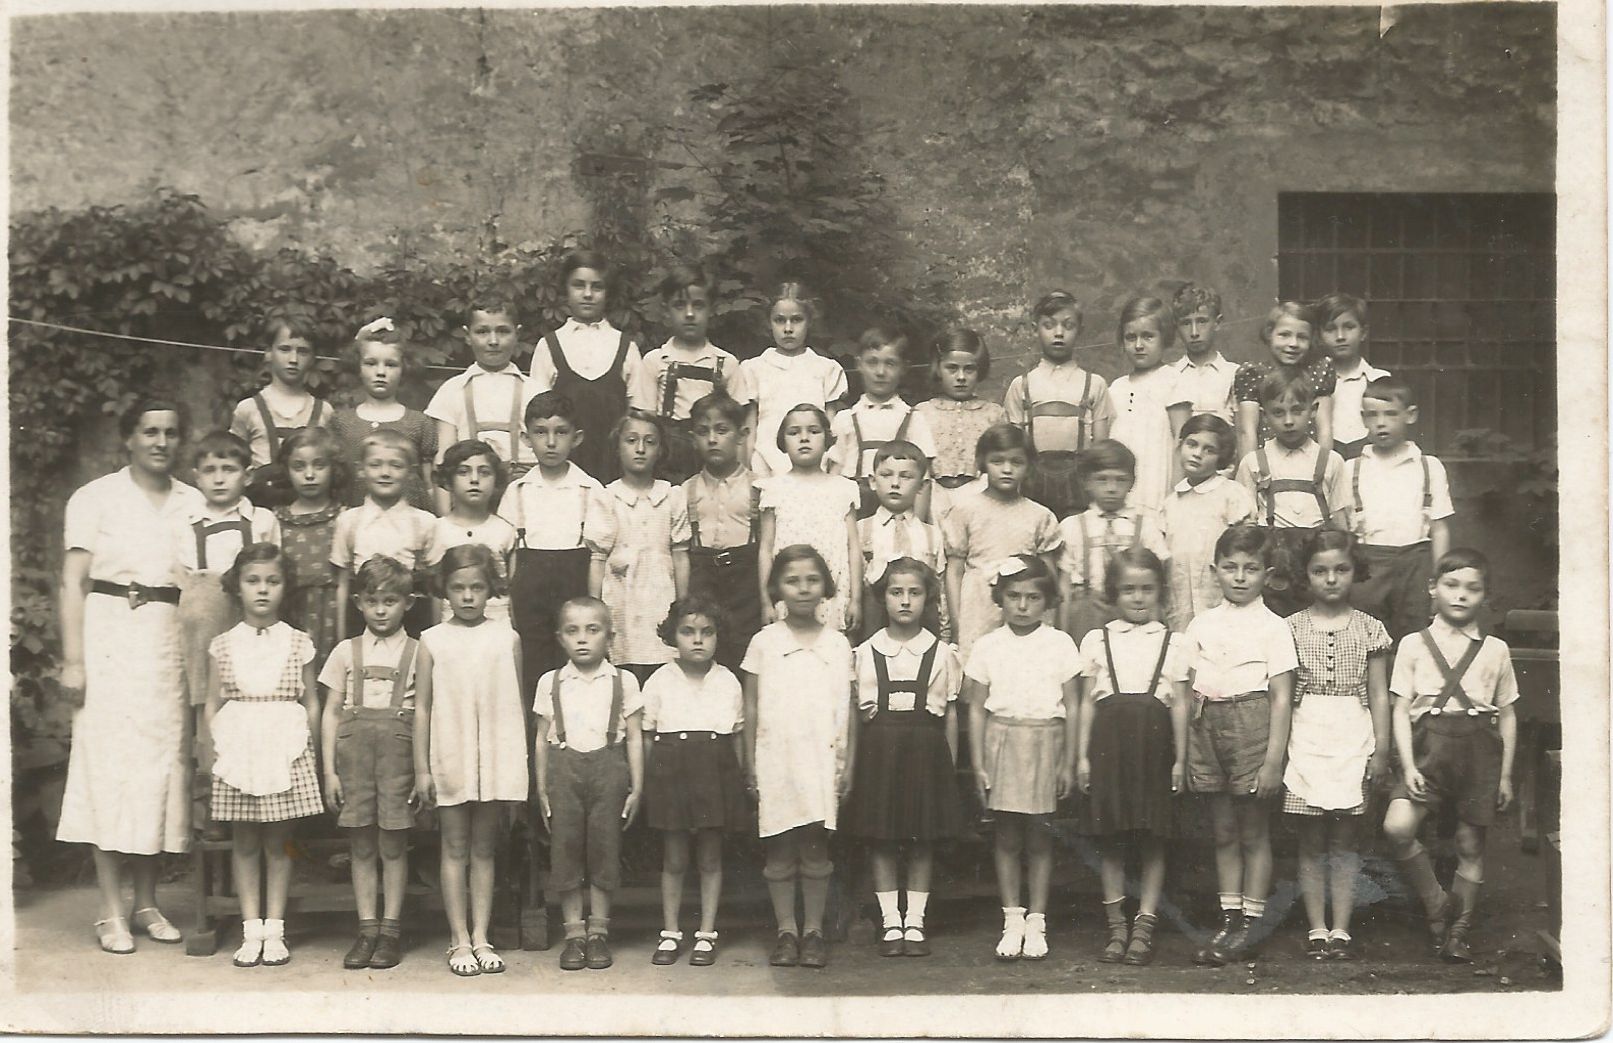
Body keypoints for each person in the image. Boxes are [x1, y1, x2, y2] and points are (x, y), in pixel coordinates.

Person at [56, 397, 205, 954]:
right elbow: (72, 582)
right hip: (110, 638)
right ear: (129, 438)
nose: (161, 442)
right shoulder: (95, 497)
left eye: (171, 432)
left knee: (159, 770)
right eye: (150, 432)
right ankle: (110, 910)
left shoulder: (193, 502)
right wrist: (74, 660)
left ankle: (146, 903)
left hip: (168, 643)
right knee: (109, 768)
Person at [1382, 549, 1518, 964]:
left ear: (1485, 595)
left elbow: (1507, 713)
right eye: (1451, 585)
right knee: (1397, 826)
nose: (1461, 595)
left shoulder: (1496, 650)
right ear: (1433, 588)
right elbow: (1400, 710)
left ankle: (1456, 932)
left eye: (1472, 588)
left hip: (1478, 751)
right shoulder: (1413, 645)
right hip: (1428, 749)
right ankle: (1437, 902)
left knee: (1469, 843)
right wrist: (1408, 765)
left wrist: (1504, 776)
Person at [202, 543, 322, 968]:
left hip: (283, 745)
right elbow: (212, 703)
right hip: (239, 747)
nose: (263, 589)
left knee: (280, 841)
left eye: (273, 581)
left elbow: (311, 702)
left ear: (285, 587)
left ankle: (276, 930)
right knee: (245, 841)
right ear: (237, 587)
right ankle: (251, 928)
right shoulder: (222, 645)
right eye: (253, 581)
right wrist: (217, 748)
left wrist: (307, 748)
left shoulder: (298, 642)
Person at [1183, 524, 1297, 967]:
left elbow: (1282, 696)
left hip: (1253, 725)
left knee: (1253, 831)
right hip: (1207, 724)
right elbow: (1187, 687)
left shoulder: (1274, 628)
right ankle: (1229, 918)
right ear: (1215, 571)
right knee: (1224, 831)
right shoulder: (1201, 624)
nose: (1240, 577)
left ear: (1267, 575)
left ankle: (1252, 921)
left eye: (1251, 568)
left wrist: (1273, 761)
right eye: (1230, 567)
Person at [415, 544, 529, 977]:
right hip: (451, 752)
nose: (467, 596)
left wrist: (515, 765)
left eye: (477, 587)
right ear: (444, 589)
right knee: (454, 847)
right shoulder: (432, 640)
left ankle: (481, 936)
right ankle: (458, 938)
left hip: (493, 756)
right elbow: (422, 707)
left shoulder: (507, 637)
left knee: (484, 848)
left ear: (490, 589)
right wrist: (423, 768)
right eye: (458, 587)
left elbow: (515, 704)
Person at [741, 546, 856, 970]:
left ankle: (814, 932)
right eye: (792, 581)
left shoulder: (838, 644)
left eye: (812, 580)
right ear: (777, 588)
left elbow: (849, 708)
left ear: (826, 587)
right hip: (776, 758)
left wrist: (848, 765)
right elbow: (750, 706)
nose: (803, 589)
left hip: (822, 760)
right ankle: (786, 931)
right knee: (780, 849)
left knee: (814, 848)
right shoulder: (764, 642)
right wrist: (750, 763)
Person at [1075, 547, 1190, 967]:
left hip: (1154, 748)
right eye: (1128, 590)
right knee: (1112, 838)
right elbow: (1086, 703)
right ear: (1113, 593)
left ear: (1160, 591)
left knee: (1153, 837)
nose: (1138, 598)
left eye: (1146, 589)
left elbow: (1180, 704)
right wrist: (1082, 757)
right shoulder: (1096, 640)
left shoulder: (1174, 643)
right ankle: (1116, 927)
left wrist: (1180, 760)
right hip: (1109, 748)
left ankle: (1144, 924)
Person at [842, 559, 963, 958]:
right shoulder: (865, 652)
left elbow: (949, 715)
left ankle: (916, 920)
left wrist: (948, 768)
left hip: (925, 754)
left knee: (922, 839)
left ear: (928, 599)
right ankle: (891, 920)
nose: (905, 601)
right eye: (896, 592)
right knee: (882, 838)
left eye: (915, 592)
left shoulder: (941, 653)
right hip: (880, 753)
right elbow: (857, 716)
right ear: (883, 598)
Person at [963, 555, 1079, 961]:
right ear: (1000, 598)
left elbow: (1073, 704)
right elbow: (976, 708)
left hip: (1045, 739)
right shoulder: (988, 645)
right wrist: (978, 762)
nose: (1023, 605)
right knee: (1008, 835)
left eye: (1033, 597)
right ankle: (1012, 918)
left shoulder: (1059, 643)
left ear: (1047, 601)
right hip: (1003, 740)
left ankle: (1037, 919)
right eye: (1014, 596)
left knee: (1040, 836)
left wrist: (1068, 761)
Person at [1283, 531, 1393, 961]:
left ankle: (1341, 929)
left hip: (1352, 734)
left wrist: (1381, 749)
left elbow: (1379, 693)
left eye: (1341, 569)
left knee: (1345, 841)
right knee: (1311, 841)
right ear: (1306, 575)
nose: (1331, 579)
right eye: (1320, 571)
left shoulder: (1370, 628)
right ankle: (1316, 927)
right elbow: (1283, 695)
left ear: (1355, 572)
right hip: (1307, 734)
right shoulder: (1290, 628)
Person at [318, 555, 422, 972]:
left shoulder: (419, 653)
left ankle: (390, 931)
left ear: (407, 603)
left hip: (398, 758)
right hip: (354, 759)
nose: (381, 610)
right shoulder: (346, 651)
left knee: (393, 845)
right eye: (373, 601)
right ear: (358, 602)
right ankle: (366, 929)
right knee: (361, 845)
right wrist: (329, 771)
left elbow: (427, 713)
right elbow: (330, 712)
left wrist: (422, 770)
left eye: (390, 601)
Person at [534, 596, 646, 971]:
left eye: (592, 630)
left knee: (604, 849)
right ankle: (574, 934)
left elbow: (634, 736)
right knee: (565, 850)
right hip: (563, 773)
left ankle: (598, 933)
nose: (582, 638)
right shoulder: (550, 682)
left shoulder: (623, 681)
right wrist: (541, 788)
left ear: (609, 637)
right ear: (560, 638)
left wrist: (637, 787)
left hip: (609, 771)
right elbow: (541, 740)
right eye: (572, 631)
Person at [641, 597, 748, 967]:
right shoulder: (659, 680)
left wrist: (740, 780)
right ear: (673, 636)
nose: (698, 640)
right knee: (674, 857)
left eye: (707, 632)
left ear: (719, 637)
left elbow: (737, 738)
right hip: (670, 771)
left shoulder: (728, 681)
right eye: (688, 632)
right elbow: (646, 735)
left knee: (710, 856)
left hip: (714, 772)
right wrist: (647, 783)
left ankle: (706, 933)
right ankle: (670, 932)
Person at [176, 431, 280, 796]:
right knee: (209, 698)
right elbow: (185, 581)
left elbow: (274, 571)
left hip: (251, 614)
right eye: (210, 471)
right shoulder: (188, 523)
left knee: (252, 693)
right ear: (196, 477)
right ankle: (210, 776)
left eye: (229, 469)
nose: (219, 479)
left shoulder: (262, 520)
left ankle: (256, 778)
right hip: (206, 624)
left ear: (247, 475)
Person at [499, 391, 601, 697]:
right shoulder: (517, 491)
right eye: (541, 433)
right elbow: (510, 555)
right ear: (526, 438)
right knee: (532, 668)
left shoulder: (590, 490)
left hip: (574, 587)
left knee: (577, 666)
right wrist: (510, 604)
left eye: (561, 432)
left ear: (577, 438)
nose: (551, 442)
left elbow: (598, 557)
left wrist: (593, 605)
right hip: (529, 595)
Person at [1345, 376, 1454, 641]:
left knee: (1415, 637)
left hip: (1415, 565)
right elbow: (1342, 531)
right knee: (1366, 637)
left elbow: (1439, 529)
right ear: (1363, 418)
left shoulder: (1429, 466)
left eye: (1391, 414)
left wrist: (1440, 581)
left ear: (1410, 415)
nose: (1381, 422)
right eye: (1373, 415)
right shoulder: (1351, 468)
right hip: (1367, 566)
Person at [587, 410, 692, 681]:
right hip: (622, 596)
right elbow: (598, 559)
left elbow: (680, 555)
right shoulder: (608, 497)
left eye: (650, 441)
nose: (641, 449)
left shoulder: (672, 495)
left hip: (661, 594)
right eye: (631, 440)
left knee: (663, 665)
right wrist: (594, 611)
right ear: (617, 447)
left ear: (661, 450)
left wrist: (682, 607)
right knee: (623, 664)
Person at [1234, 370, 1348, 617]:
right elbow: (1246, 526)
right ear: (1264, 415)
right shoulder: (1253, 462)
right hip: (1273, 563)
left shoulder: (1331, 461)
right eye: (1278, 412)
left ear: (1313, 410)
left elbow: (1341, 523)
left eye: (1297, 411)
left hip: (1317, 560)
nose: (1288, 421)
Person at [942, 424, 1062, 660]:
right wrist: (958, 623)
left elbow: (1048, 577)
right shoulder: (965, 510)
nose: (1007, 469)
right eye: (997, 461)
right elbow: (954, 572)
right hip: (978, 606)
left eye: (1016, 462)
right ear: (983, 463)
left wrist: (1048, 622)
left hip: (1023, 605)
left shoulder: (1040, 516)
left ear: (1029, 466)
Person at [530, 250, 646, 484]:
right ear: (566, 289)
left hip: (615, 470)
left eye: (597, 287)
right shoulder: (548, 346)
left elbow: (638, 415)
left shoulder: (626, 347)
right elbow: (538, 416)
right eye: (578, 285)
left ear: (607, 292)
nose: (587, 294)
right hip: (562, 471)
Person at [632, 263, 751, 484]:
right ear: (666, 311)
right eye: (679, 305)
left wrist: (742, 478)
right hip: (667, 463)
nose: (689, 314)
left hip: (714, 457)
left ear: (711, 310)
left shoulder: (727, 363)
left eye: (698, 305)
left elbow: (739, 428)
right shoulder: (655, 361)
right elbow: (646, 425)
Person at [1003, 290, 1115, 519]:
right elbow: (1013, 450)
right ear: (1035, 329)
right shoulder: (1021, 385)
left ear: (1079, 330)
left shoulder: (1094, 384)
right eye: (1049, 325)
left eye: (1068, 325)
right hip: (1033, 486)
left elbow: (1100, 451)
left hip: (1078, 488)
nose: (1059, 333)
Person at [756, 404, 863, 635]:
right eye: (794, 432)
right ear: (783, 442)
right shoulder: (774, 489)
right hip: (789, 594)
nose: (804, 438)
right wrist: (766, 601)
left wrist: (856, 599)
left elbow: (853, 547)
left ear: (827, 439)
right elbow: (765, 548)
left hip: (834, 592)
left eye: (813, 431)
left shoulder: (843, 488)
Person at [682, 393, 763, 674]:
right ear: (693, 439)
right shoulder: (685, 490)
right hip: (703, 581)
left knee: (746, 654)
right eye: (703, 432)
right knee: (705, 654)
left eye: (721, 430)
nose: (712, 439)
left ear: (741, 435)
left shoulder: (760, 487)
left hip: (746, 584)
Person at [1057, 439, 1168, 644]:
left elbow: (1160, 578)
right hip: (1087, 611)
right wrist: (1062, 636)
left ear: (1132, 482)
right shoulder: (1072, 526)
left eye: (1120, 480)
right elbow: (1064, 585)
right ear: (1086, 481)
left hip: (1134, 610)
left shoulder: (1146, 526)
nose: (1111, 488)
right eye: (1102, 480)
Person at [331, 429, 438, 641]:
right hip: (361, 622)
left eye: (396, 465)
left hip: (412, 622)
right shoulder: (348, 521)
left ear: (411, 472)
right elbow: (342, 586)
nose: (385, 473)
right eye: (375, 465)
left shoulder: (425, 522)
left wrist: (434, 639)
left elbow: (435, 589)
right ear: (361, 470)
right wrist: (342, 639)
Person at [425, 300, 538, 498]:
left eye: (503, 331)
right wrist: (445, 513)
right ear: (467, 335)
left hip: (525, 493)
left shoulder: (535, 390)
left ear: (517, 334)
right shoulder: (452, 390)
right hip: (468, 493)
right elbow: (443, 457)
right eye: (482, 331)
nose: (493, 341)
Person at [736, 281, 848, 476]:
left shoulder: (825, 369)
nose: (788, 328)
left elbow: (832, 430)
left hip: (815, 467)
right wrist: (745, 474)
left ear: (809, 321)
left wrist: (831, 475)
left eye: (796, 320)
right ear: (768, 322)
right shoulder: (754, 368)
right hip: (766, 465)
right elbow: (749, 429)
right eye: (779, 320)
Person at [827, 325, 937, 519]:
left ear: (903, 368)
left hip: (901, 513)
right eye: (872, 362)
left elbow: (924, 481)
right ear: (859, 364)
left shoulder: (914, 419)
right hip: (852, 512)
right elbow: (832, 477)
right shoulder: (845, 419)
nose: (880, 372)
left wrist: (917, 527)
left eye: (890, 364)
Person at [1160, 415, 1255, 632]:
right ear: (1180, 446)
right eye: (1192, 444)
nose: (1197, 454)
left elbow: (1247, 550)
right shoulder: (1170, 503)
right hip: (1179, 603)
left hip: (1221, 601)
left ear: (1221, 457)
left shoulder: (1232, 495)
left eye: (1209, 450)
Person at [330, 317, 436, 510]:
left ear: (404, 368)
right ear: (358, 367)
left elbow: (430, 485)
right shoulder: (341, 421)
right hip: (356, 518)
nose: (380, 372)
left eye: (391, 364)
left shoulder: (419, 422)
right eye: (370, 363)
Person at [229, 317, 330, 506]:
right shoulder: (248, 409)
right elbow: (233, 466)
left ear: (312, 358)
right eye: (285, 349)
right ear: (268, 353)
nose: (293, 360)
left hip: (310, 510)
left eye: (303, 351)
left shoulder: (324, 411)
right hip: (259, 509)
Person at [914, 327, 1007, 519]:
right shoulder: (922, 413)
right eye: (952, 368)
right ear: (938, 368)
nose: (961, 377)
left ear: (980, 370)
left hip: (980, 494)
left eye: (969, 369)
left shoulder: (993, 414)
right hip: (934, 496)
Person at [1108, 296, 1191, 512]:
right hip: (1121, 489)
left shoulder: (1173, 380)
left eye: (1148, 336)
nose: (1138, 345)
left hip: (1157, 486)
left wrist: (1176, 493)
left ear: (1165, 338)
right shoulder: (1116, 388)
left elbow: (1181, 439)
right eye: (1130, 337)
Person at [858, 442, 948, 640]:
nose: (895, 483)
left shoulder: (932, 534)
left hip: (922, 626)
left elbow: (940, 590)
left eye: (906, 476)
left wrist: (945, 635)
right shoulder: (860, 529)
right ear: (872, 481)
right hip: (872, 627)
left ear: (921, 486)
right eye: (886, 475)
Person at [275, 427, 349, 664]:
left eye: (319, 465)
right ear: (286, 470)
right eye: (299, 467)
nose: (309, 475)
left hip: (331, 611)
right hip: (290, 610)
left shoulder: (344, 517)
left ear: (334, 468)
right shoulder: (276, 520)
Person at [427, 439, 517, 625]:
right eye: (463, 472)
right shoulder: (436, 530)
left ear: (496, 480)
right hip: (451, 627)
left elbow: (513, 591)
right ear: (448, 481)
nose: (474, 479)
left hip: (498, 625)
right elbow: (436, 594)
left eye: (484, 472)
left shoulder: (505, 531)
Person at [1233, 301, 1335, 462]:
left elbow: (1325, 429)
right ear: (1269, 334)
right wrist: (1252, 471)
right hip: (1267, 462)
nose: (1293, 343)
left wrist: (1324, 468)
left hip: (1309, 461)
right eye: (1284, 335)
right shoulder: (1253, 374)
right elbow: (1247, 432)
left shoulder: (1318, 372)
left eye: (1302, 337)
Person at [1314, 292, 1388, 461]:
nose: (1340, 336)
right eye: (1330, 329)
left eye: (1349, 327)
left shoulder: (1379, 380)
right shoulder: (1312, 383)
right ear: (1319, 336)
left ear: (1363, 332)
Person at [1169, 283, 1240, 427]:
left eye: (1202, 321)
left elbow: (1243, 430)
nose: (1194, 332)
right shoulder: (1169, 375)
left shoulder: (1234, 374)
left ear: (1217, 323)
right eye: (1186, 323)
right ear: (1176, 327)